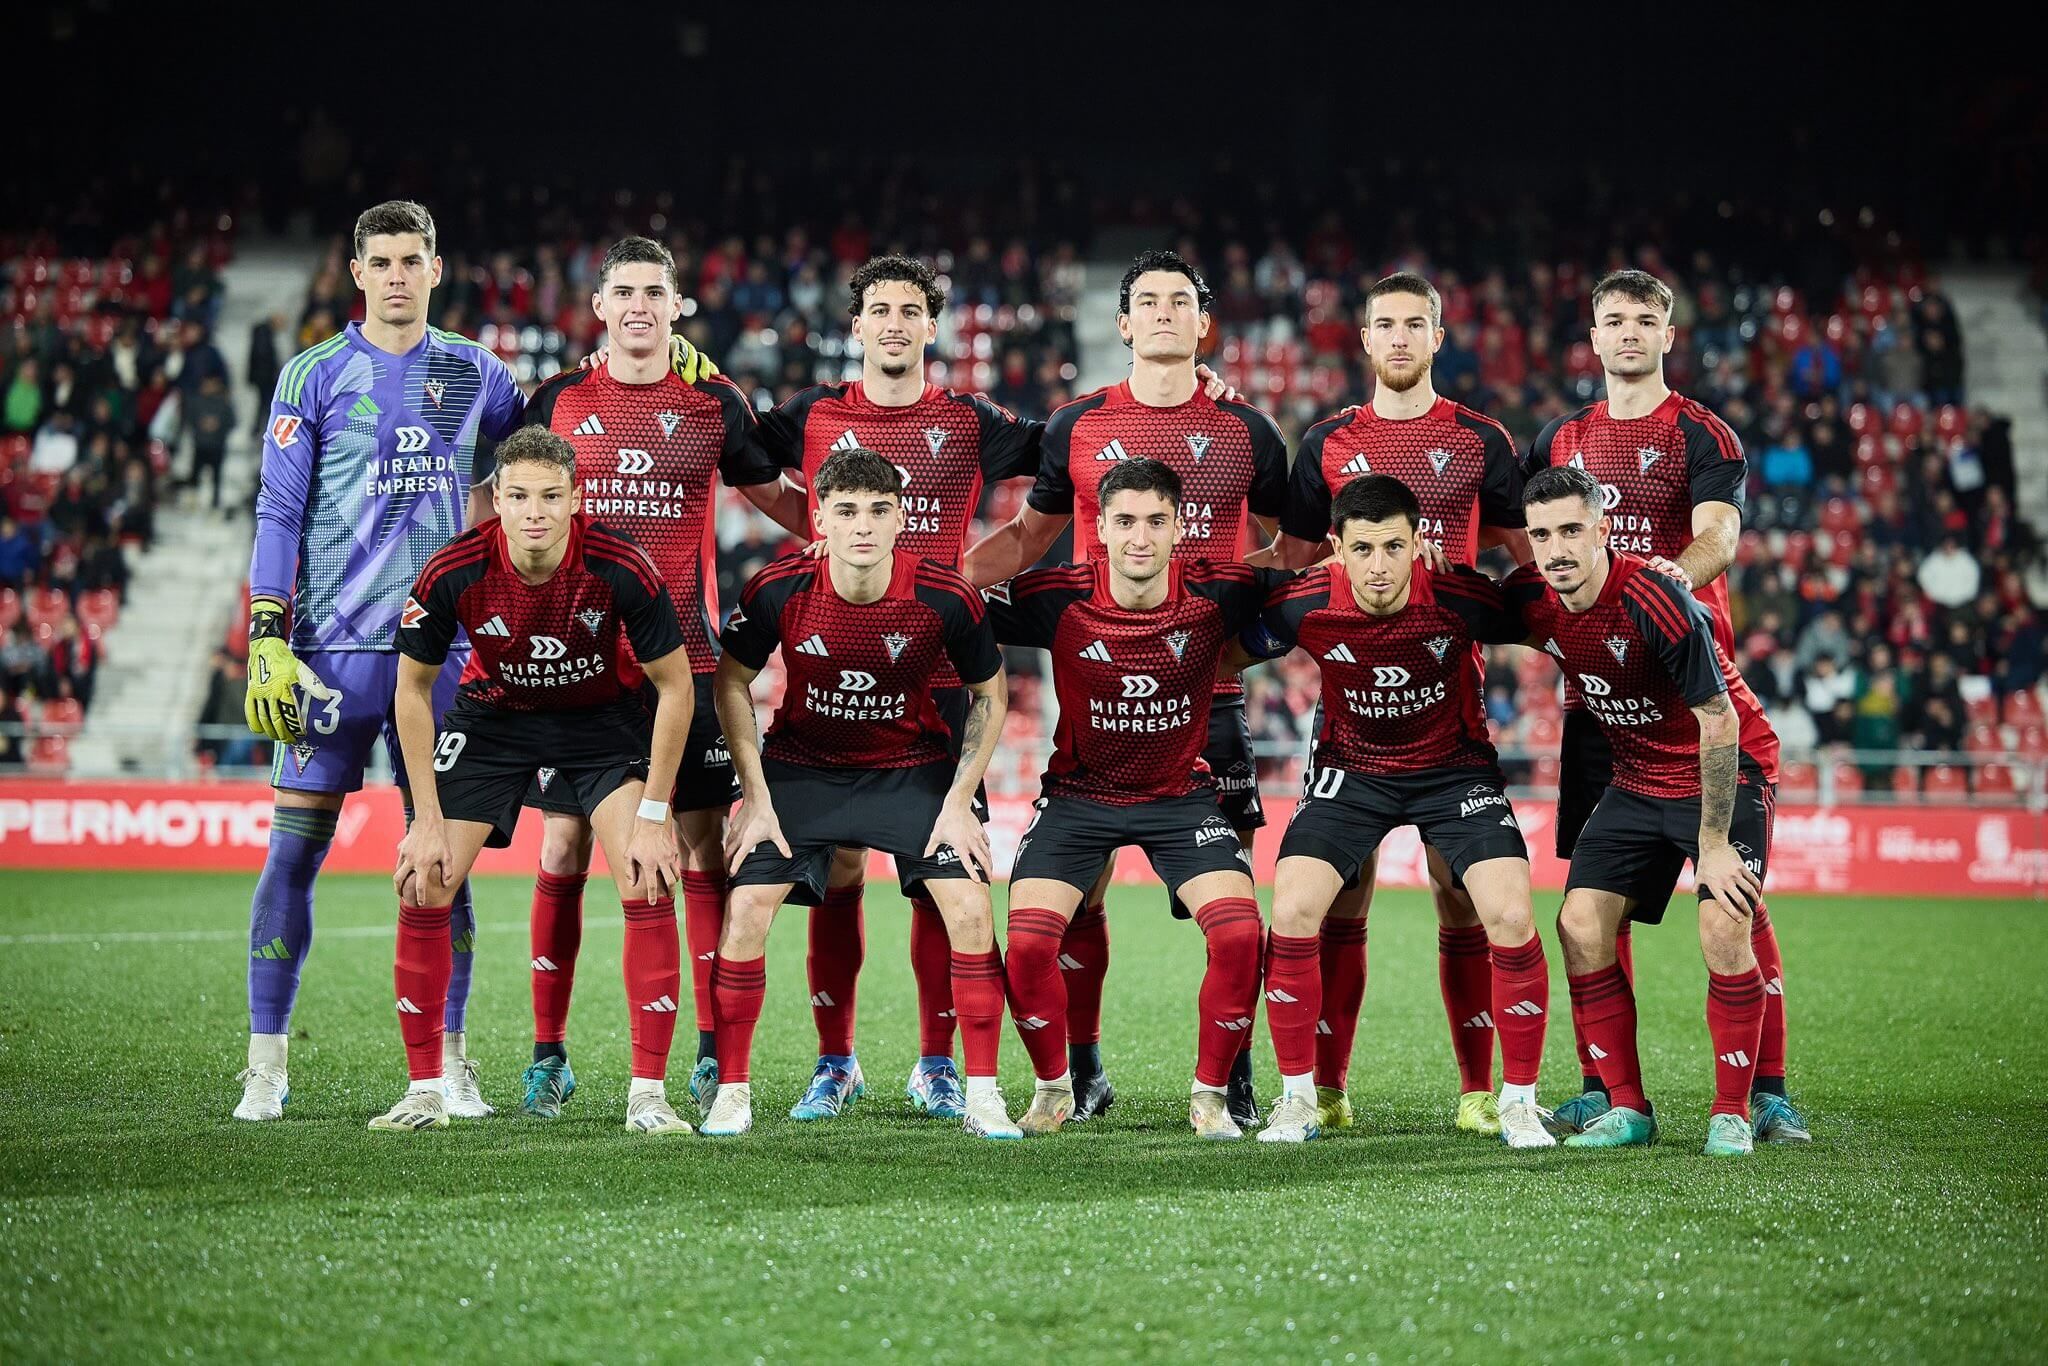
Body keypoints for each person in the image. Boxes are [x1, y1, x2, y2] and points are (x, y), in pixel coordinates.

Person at [966, 249, 1288, 1130]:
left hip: (1206, 697)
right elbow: (1030, 542)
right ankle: (1082, 1067)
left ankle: (1236, 1074)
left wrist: (1220, 634)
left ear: (1202, 321)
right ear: (1121, 323)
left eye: (1179, 302)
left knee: (1227, 909)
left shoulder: (1247, 431)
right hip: (1099, 679)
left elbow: (1291, 553)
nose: (1161, 315)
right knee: (1082, 903)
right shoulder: (1074, 424)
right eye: (1145, 302)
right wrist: (942, 584)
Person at [231, 201, 527, 1123]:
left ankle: (452, 1060)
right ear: (356, 273)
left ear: (437, 269)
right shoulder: (311, 375)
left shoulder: (477, 372)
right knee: (291, 856)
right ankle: (267, 1065)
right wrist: (267, 633)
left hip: (440, 660)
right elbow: (278, 511)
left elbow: (537, 461)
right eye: (382, 262)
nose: (397, 275)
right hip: (327, 656)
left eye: (413, 260)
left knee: (446, 864)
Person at [512, 236, 803, 1122]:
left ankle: (714, 1052)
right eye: (624, 291)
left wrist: (838, 531)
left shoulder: (715, 400)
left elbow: (774, 494)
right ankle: (548, 1054)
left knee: (703, 850)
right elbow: (511, 508)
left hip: (691, 661)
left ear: (678, 308)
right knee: (562, 848)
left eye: (655, 292)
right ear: (599, 306)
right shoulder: (557, 400)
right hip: (581, 670)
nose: (639, 305)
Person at [1522, 269, 1805, 1144]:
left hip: (1690, 679)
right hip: (1603, 705)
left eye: (1647, 320)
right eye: (1615, 320)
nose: (1631, 333)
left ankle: (1764, 1090)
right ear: (1595, 336)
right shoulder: (1562, 437)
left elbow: (1720, 530)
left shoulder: (1700, 432)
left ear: (1667, 335)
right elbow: (1535, 530)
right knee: (1590, 906)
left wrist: (1677, 573)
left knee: (1732, 904)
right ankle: (1608, 1087)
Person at [1252, 271, 1531, 1137]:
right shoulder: (1328, 442)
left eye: (1417, 324)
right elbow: (1294, 565)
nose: (1401, 338)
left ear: (1438, 336)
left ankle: (1484, 1092)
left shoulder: (1484, 440)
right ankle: (1321, 1087)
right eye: (1386, 326)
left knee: (1463, 899)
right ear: (1364, 341)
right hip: (1352, 734)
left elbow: (1527, 564)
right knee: (1338, 902)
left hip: (1453, 724)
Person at [375, 426, 696, 1135]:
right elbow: (411, 691)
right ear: (497, 499)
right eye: (518, 497)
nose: (535, 512)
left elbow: (676, 689)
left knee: (647, 875)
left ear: (576, 499)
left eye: (552, 497)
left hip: (600, 724)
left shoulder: (622, 566)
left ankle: (648, 1096)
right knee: (423, 878)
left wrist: (652, 812)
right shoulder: (452, 569)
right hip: (494, 721)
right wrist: (424, 818)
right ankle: (424, 1091)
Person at [706, 447, 1018, 1140]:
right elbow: (729, 680)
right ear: (820, 518)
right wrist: (754, 796)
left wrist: (959, 799)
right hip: (803, 765)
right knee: (748, 907)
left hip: (910, 764)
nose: (863, 526)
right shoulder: (778, 588)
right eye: (846, 511)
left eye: (879, 511)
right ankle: (737, 1091)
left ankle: (982, 1091)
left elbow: (989, 694)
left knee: (968, 906)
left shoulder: (945, 594)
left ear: (901, 518)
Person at [1236, 475, 1553, 1147]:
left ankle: (1516, 1101)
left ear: (1419, 544)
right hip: (1352, 773)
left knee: (1511, 912)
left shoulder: (1461, 597)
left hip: (1454, 771)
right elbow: (1226, 644)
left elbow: (1550, 623)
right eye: (1363, 549)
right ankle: (1300, 1099)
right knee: (1292, 907)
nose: (1378, 566)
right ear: (1336, 550)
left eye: (1392, 547)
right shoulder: (1305, 602)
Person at [1508, 465, 1781, 1156]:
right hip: (1636, 780)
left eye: (1573, 530)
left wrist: (1713, 842)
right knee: (1579, 924)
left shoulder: (1656, 600)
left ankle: (1731, 1112)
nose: (1557, 548)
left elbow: (1718, 722)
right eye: (1542, 535)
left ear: (1603, 530)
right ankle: (1628, 1108)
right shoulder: (1533, 600)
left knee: (1723, 928)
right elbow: (1450, 603)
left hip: (1726, 767)